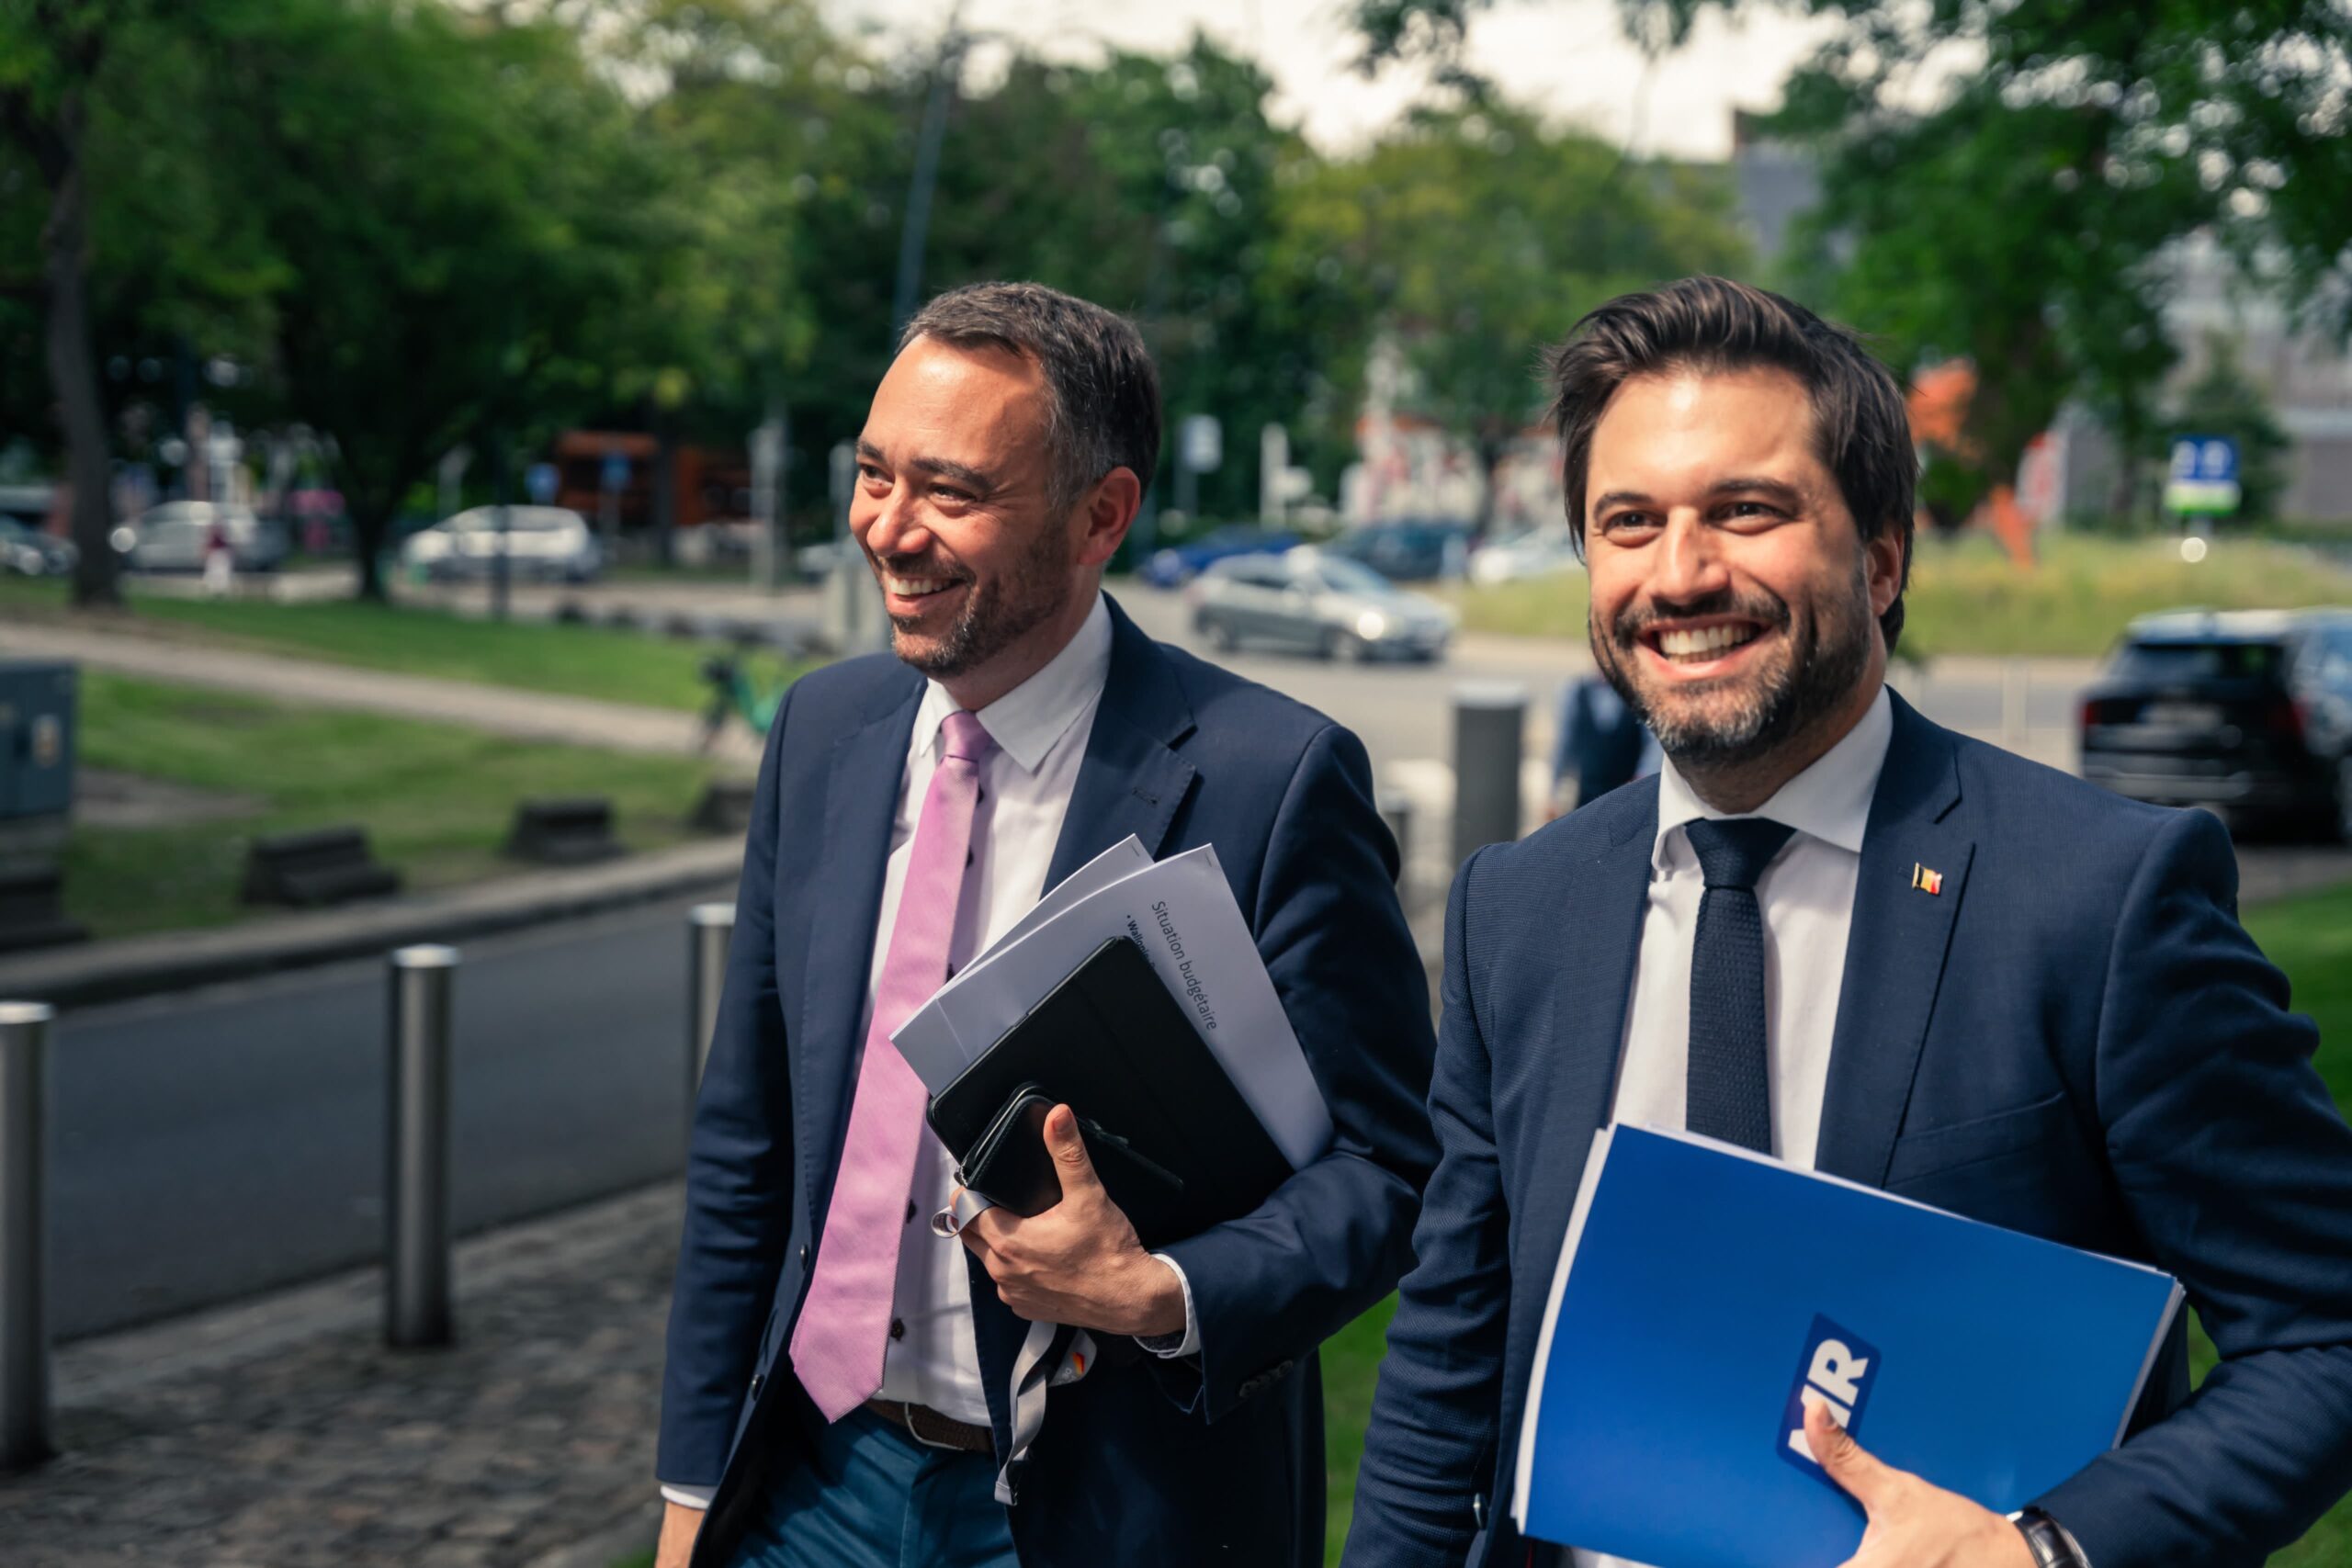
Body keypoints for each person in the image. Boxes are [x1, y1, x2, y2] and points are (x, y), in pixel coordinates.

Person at [1342, 276, 2352, 1568]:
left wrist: (2045, 1551)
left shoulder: (2101, 898)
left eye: (1747, 511)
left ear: (1881, 556)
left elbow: (2323, 1330)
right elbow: (1446, 1369)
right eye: (1628, 522)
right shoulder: (1516, 909)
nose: (1681, 573)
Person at [657, 281, 1438, 1568]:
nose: (888, 532)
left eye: (949, 492)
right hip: (805, 1482)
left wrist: (1166, 1292)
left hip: (1103, 1508)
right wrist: (693, 1481)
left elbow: (1390, 1168)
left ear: (1101, 515)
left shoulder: (1271, 778)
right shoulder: (820, 732)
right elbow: (751, 1132)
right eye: (871, 474)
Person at [1545, 672, 1657, 817]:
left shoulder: (1638, 695)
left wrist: (1642, 779)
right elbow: (1563, 746)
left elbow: (1652, 744)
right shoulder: (1576, 692)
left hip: (1626, 797)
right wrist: (1553, 793)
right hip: (1586, 795)